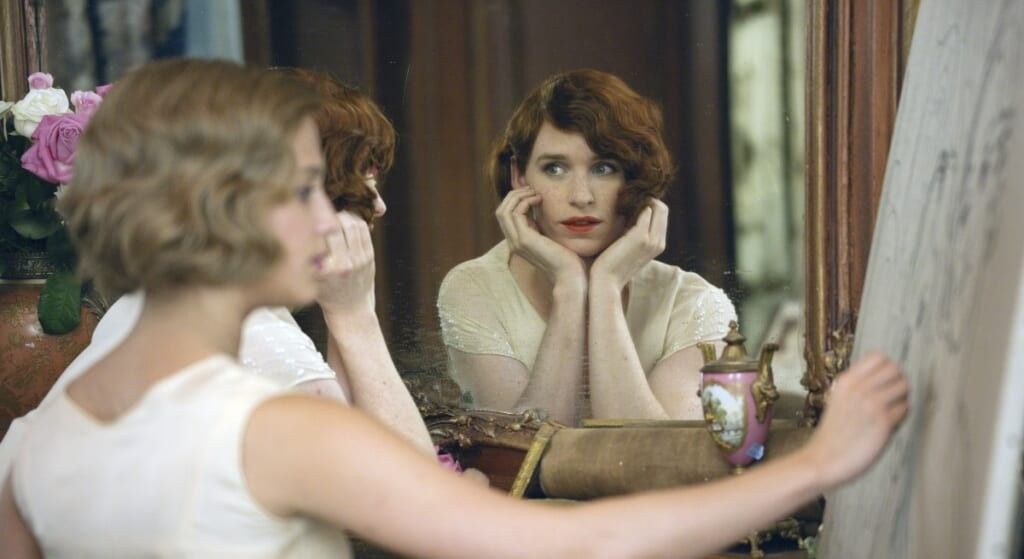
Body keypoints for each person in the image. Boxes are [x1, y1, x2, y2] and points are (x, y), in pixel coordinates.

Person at [0, 59, 909, 558]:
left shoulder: (32, 443)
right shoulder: (272, 428)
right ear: (232, 211)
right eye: (312, 189)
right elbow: (577, 549)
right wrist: (814, 463)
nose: (345, 217)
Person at [0, 67, 433, 483]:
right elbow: (416, 499)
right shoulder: (252, 337)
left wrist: (343, 303)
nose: (379, 208)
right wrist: (357, 317)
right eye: (362, 186)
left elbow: (344, 427)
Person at [438, 69, 735, 426]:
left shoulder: (694, 303)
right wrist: (569, 285)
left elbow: (644, 460)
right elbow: (523, 460)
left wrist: (606, 286)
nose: (581, 197)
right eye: (555, 168)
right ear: (520, 176)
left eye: (604, 168)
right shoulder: (475, 288)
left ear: (634, 176)